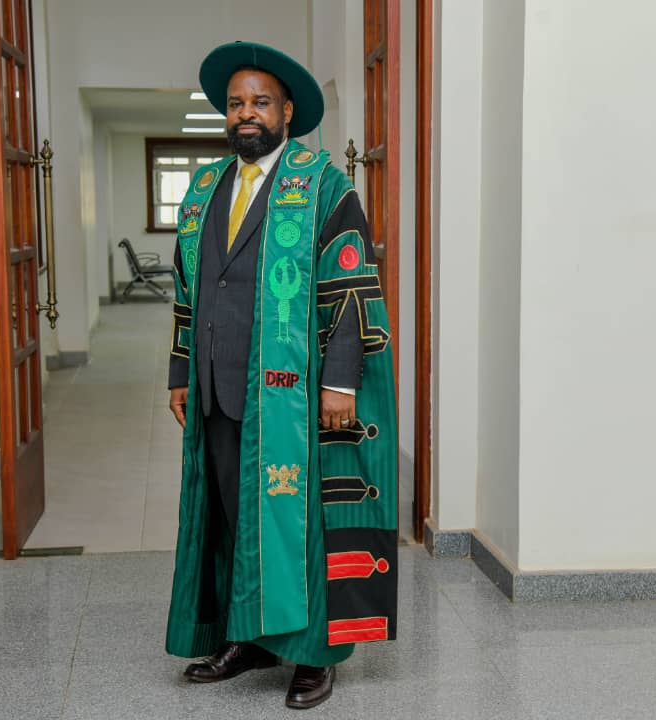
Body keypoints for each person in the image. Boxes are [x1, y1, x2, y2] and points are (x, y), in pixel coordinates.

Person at [165, 40, 397, 711]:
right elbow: (188, 287)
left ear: (286, 111)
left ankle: (314, 657)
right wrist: (182, 369)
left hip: (292, 394)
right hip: (217, 386)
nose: (246, 114)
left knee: (301, 524)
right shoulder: (205, 187)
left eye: (260, 102)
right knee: (235, 517)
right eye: (236, 103)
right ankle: (251, 637)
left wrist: (342, 383)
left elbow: (352, 285)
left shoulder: (322, 183)